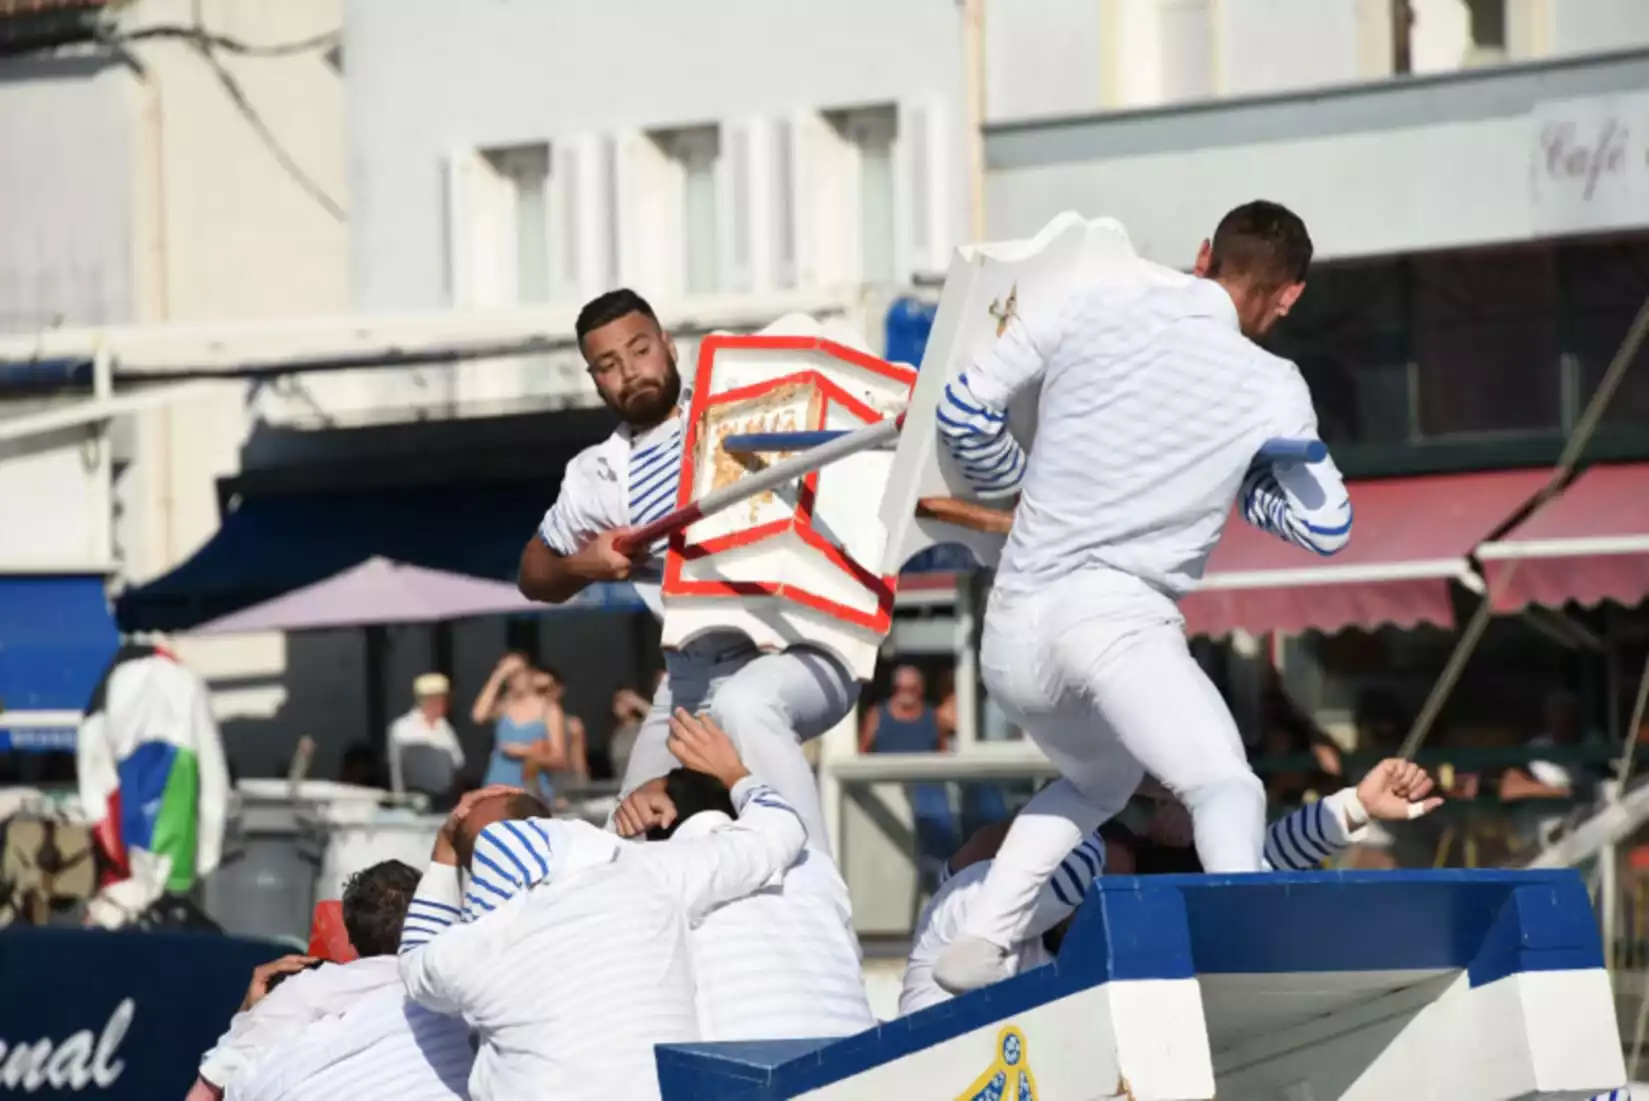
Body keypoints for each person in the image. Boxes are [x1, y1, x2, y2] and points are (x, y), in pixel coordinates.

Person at [932, 201, 1353, 993]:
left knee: (1101, 783)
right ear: (1288, 295)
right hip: (1113, 619)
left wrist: (1014, 487)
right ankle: (1246, 968)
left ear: (1202, 254)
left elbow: (961, 411)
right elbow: (1325, 528)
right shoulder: (1273, 384)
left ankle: (982, 939)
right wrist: (1250, 480)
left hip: (1015, 629)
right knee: (1226, 785)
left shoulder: (1087, 305)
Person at [516, 289, 856, 855]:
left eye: (640, 350)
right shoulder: (594, 476)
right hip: (691, 678)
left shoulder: (745, 405)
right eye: (608, 365)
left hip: (799, 646)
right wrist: (587, 563)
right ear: (595, 380)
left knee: (747, 706)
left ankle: (819, 899)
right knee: (622, 848)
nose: (630, 372)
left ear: (670, 347)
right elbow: (533, 573)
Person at [397, 709, 807, 1101]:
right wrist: (734, 774)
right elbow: (779, 832)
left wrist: (445, 851)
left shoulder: (474, 948)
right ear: (554, 824)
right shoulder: (646, 873)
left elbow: (413, 961)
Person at [903, 760, 1440, 1014]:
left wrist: (1353, 808)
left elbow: (1249, 870)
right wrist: (1175, 796)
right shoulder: (976, 902)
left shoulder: (1079, 911)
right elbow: (1058, 846)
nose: (1104, 907)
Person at [612, 736, 876, 1042]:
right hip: (862, 1066)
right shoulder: (817, 866)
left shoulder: (659, 878)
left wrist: (626, 828)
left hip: (752, 1077)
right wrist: (737, 776)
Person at [189, 860, 471, 1101]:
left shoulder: (304, 991)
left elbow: (207, 1091)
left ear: (351, 936)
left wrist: (249, 1013)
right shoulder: (467, 994)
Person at [471, 653, 565, 802]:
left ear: (530, 672)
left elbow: (559, 759)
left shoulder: (549, 710)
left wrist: (525, 751)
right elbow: (478, 716)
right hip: (498, 786)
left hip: (531, 788)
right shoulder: (505, 705)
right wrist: (497, 676)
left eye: (519, 672)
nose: (515, 678)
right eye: (510, 675)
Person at [389, 674, 465, 801]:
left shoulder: (444, 727)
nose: (443, 705)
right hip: (414, 798)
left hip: (445, 798)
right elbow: (397, 769)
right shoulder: (402, 727)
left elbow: (458, 762)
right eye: (438, 700)